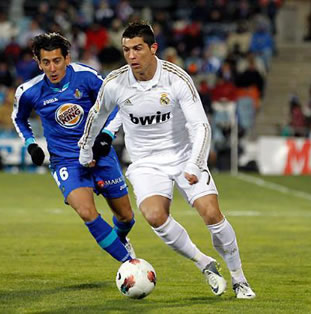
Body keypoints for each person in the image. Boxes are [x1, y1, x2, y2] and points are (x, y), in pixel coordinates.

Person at [79, 22, 256, 299]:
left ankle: (239, 278)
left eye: (138, 48)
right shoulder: (115, 83)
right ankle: (204, 263)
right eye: (126, 50)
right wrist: (86, 151)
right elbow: (96, 117)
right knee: (153, 215)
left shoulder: (176, 78)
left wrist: (195, 164)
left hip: (184, 155)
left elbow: (201, 126)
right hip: (146, 162)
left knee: (211, 214)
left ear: (153, 48)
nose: (132, 55)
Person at [12, 32, 136, 263]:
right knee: (87, 212)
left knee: (126, 217)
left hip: (99, 154)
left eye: (57, 61)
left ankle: (121, 240)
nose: (52, 68)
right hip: (65, 160)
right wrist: (31, 145)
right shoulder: (28, 91)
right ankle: (130, 264)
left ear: (67, 58)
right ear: (38, 63)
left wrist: (106, 136)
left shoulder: (87, 77)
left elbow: (114, 105)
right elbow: (19, 119)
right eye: (46, 62)